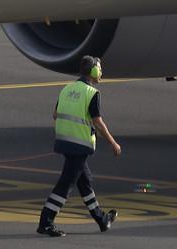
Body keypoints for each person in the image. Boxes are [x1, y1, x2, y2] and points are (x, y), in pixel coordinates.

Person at [36, 55, 121, 237]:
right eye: (100, 69)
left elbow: (55, 114)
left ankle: (102, 219)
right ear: (94, 71)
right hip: (79, 144)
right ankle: (46, 222)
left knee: (85, 181)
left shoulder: (67, 89)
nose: (101, 72)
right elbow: (97, 122)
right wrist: (112, 142)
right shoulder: (92, 93)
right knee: (65, 184)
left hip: (65, 142)